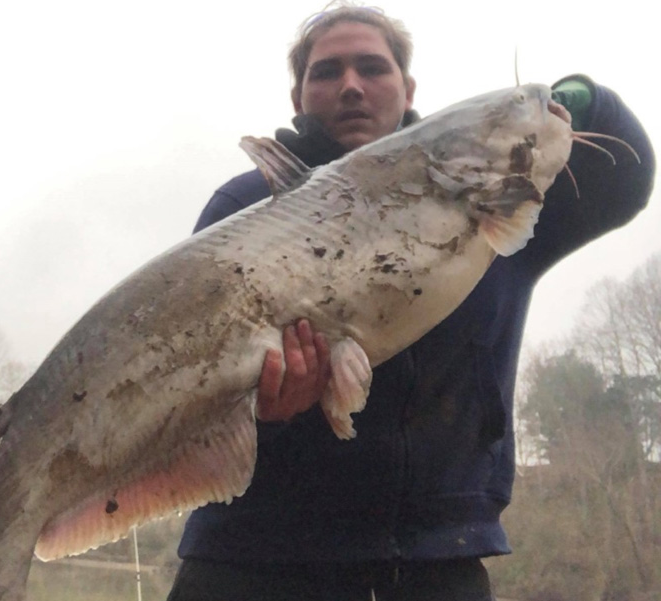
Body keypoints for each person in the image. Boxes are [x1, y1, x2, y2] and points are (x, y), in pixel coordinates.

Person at [167, 5, 656, 601]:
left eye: (373, 67)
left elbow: (626, 168)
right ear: (298, 97)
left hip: (440, 560)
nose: (351, 85)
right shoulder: (244, 206)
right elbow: (184, 385)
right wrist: (269, 411)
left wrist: (550, 101)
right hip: (251, 560)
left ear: (408, 88)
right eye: (327, 73)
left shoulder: (506, 199)